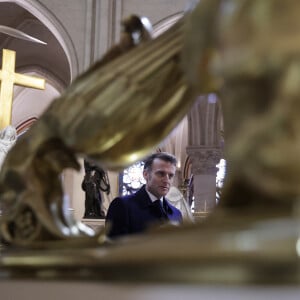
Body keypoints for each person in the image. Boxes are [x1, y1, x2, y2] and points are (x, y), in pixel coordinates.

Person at [105, 152, 183, 239]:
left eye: (171, 176)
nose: (166, 180)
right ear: (146, 174)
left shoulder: (176, 214)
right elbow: (113, 249)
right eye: (161, 174)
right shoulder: (122, 206)